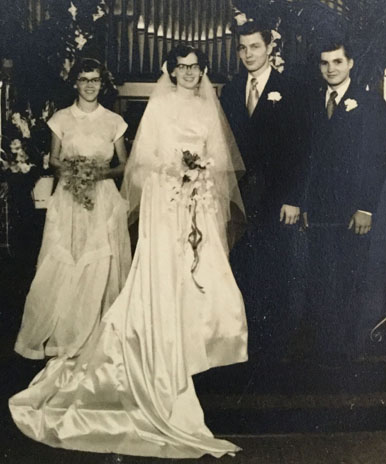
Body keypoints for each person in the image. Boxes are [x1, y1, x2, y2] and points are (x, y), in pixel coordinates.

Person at [9, 45, 248, 458]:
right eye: (181, 67)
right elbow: (145, 159)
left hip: (198, 196)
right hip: (165, 194)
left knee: (204, 268)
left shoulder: (210, 106)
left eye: (194, 67)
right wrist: (177, 171)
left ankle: (196, 339)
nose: (188, 74)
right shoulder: (160, 104)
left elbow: (217, 155)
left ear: (201, 71)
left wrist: (201, 173)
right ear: (170, 71)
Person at [13, 58, 131, 359]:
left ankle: (93, 331)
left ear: (102, 84)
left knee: (99, 258)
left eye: (95, 79)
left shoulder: (114, 121)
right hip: (68, 196)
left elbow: (124, 165)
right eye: (84, 79)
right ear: (75, 83)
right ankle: (62, 333)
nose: (90, 85)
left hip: (102, 197)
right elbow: (52, 160)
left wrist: (96, 174)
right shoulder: (61, 119)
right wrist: (73, 169)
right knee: (66, 255)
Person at [220, 20, 307, 358]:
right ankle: (245, 344)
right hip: (239, 196)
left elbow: (303, 150)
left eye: (254, 46)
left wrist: (293, 199)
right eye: (242, 48)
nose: (247, 54)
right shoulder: (230, 90)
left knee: (276, 269)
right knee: (241, 266)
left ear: (270, 46)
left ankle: (275, 350)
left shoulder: (293, 89)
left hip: (277, 197)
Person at [303, 39, 386, 362]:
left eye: (337, 62)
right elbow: (308, 158)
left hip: (355, 210)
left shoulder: (369, 103)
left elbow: (376, 158)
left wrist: (366, 207)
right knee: (320, 278)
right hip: (320, 210)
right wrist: (306, 205)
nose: (330, 69)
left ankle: (346, 355)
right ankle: (323, 353)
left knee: (350, 278)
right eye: (325, 63)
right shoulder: (313, 102)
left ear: (351, 63)